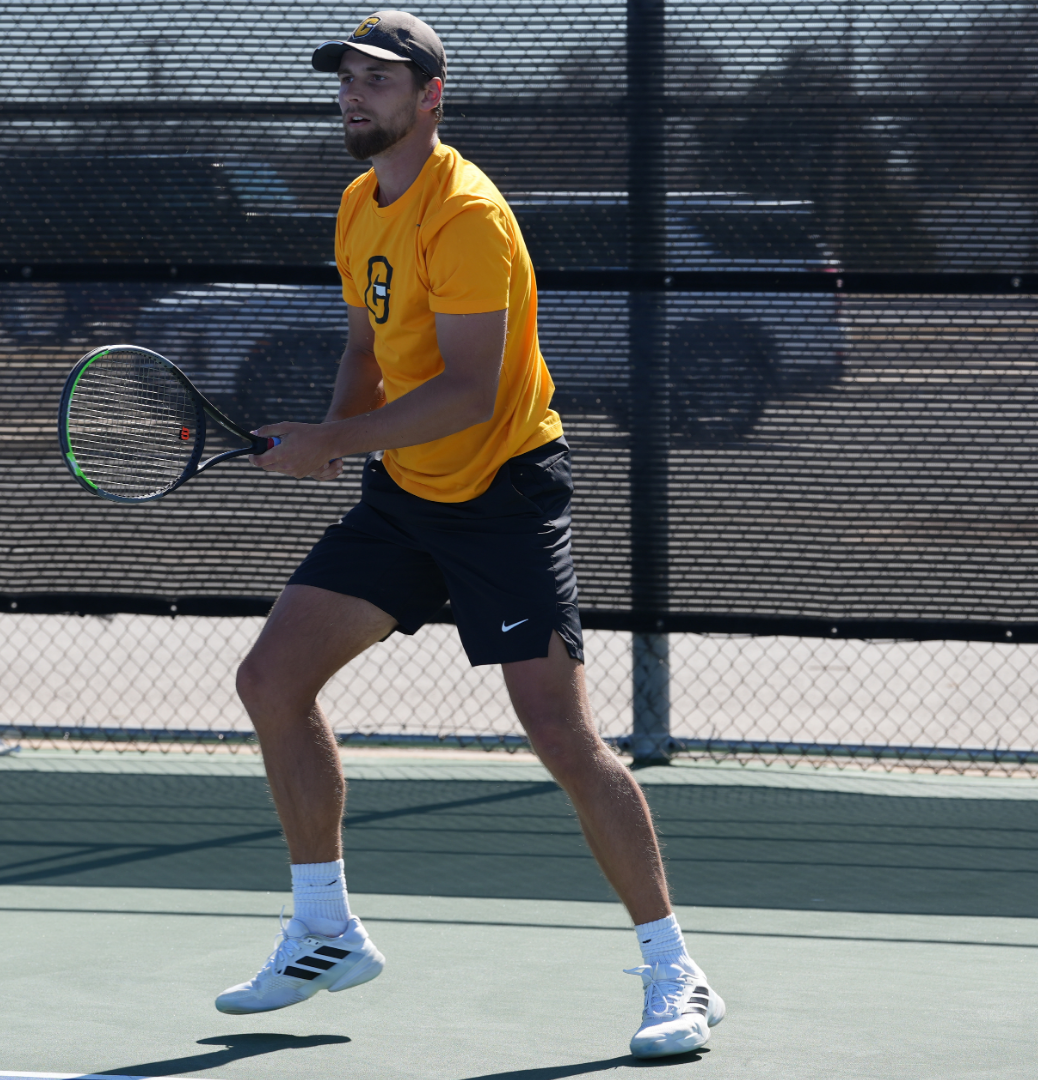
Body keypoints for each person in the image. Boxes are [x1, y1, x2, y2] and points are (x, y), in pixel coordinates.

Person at [213, 11, 723, 1060]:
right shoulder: (359, 204)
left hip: (502, 494)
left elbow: (465, 391)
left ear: (431, 96)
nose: (356, 95)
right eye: (346, 78)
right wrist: (333, 444)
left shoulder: (469, 216)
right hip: (405, 494)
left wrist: (335, 438)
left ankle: (677, 970)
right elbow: (367, 345)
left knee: (561, 739)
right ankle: (324, 931)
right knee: (271, 678)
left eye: (380, 81)